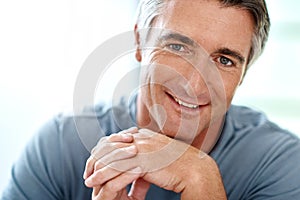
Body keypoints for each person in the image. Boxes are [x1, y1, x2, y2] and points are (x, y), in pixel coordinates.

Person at [2, 0, 300, 199]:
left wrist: (202, 182)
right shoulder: (59, 146)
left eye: (224, 61)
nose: (194, 83)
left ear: (244, 73)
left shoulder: (280, 164)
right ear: (139, 43)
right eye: (178, 47)